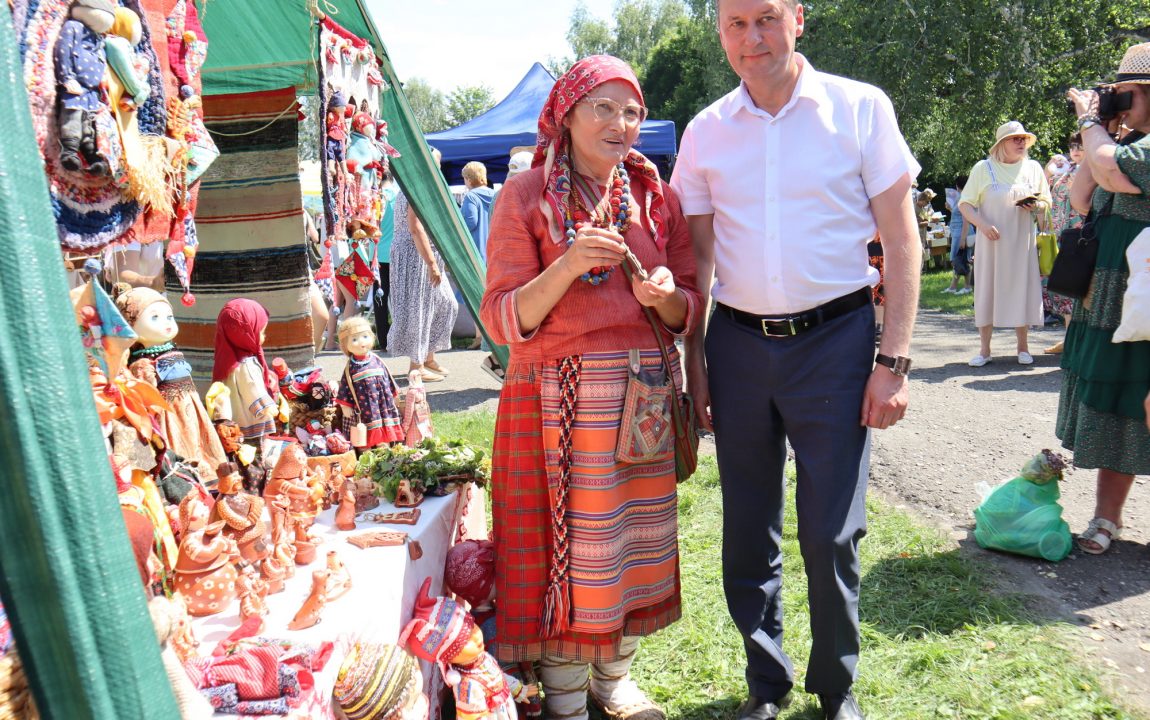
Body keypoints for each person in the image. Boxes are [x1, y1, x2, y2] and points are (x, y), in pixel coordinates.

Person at [669, 1, 921, 718]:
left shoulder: (860, 109)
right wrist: (698, 366)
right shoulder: (706, 132)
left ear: (798, 20)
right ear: (720, 32)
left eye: (767, 19)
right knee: (748, 526)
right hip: (739, 347)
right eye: (736, 24)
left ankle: (835, 687)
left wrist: (893, 362)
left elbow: (902, 246)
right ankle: (765, 682)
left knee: (829, 530)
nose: (753, 39)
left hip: (836, 345)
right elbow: (699, 260)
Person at [480, 55, 701, 720]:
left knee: (634, 546)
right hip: (553, 395)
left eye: (631, 110)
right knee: (569, 559)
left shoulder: (658, 199)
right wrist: (570, 264)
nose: (620, 123)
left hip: (641, 397)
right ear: (567, 114)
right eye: (602, 108)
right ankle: (568, 698)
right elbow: (502, 316)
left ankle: (614, 683)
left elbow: (689, 304)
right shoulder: (523, 196)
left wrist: (662, 299)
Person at [1061, 43, 1150, 555]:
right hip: (1116, 290)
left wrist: (1093, 123)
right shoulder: (1124, 143)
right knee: (1119, 402)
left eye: (1125, 94)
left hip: (1144, 289)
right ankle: (1106, 517)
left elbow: (1114, 173)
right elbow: (1081, 197)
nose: (1117, 102)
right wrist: (1104, 131)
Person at [958, 121, 1050, 367]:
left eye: (1023, 139)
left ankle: (1023, 347)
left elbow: (1046, 203)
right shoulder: (983, 168)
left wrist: (1036, 205)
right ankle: (985, 350)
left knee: (1022, 287)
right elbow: (965, 204)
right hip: (991, 241)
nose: (1021, 143)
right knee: (987, 289)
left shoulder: (1032, 168)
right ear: (1001, 144)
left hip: (1022, 241)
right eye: (1015, 139)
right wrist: (982, 225)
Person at [387, 148, 458, 382]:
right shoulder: (416, 186)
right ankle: (416, 366)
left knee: (446, 303)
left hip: (422, 252)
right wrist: (431, 263)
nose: (437, 168)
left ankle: (427, 357)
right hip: (415, 254)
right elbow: (415, 227)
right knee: (420, 308)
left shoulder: (422, 186)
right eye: (434, 163)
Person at [1043, 134, 1086, 354]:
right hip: (1061, 234)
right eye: (1073, 146)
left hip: (1081, 234)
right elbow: (1042, 188)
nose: (1076, 150)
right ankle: (1069, 337)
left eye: (1080, 146)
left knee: (1076, 286)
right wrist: (1049, 169)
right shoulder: (1066, 169)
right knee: (1063, 286)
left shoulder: (1093, 170)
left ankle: (1075, 341)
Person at [461, 161, 495, 350]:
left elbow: (470, 222)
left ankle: (480, 336)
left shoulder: (470, 197)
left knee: (477, 296)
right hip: (495, 251)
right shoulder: (495, 194)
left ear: (468, 179)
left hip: (477, 251)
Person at [372, 171, 399, 350]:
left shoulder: (374, 198)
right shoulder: (398, 197)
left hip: (376, 254)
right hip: (396, 252)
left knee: (380, 299)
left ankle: (383, 338)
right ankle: (399, 337)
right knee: (398, 298)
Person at [944, 177, 973, 294]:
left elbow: (966, 220)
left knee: (964, 259)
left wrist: (962, 239)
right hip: (959, 233)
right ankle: (953, 286)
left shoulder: (964, 199)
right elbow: (958, 215)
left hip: (963, 233)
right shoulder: (961, 198)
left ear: (957, 186)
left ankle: (967, 286)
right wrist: (950, 209)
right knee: (957, 260)